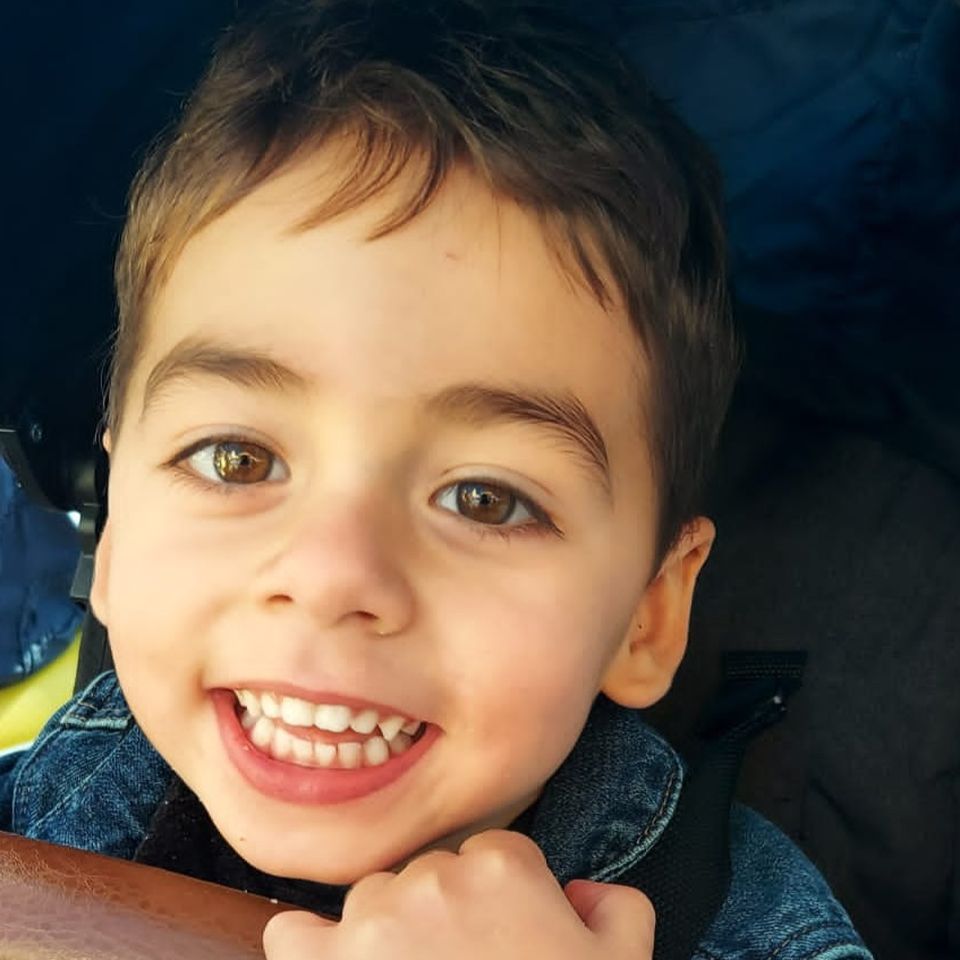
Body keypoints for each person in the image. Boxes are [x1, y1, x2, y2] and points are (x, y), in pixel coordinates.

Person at [0, 1, 871, 957]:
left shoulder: (748, 928)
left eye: (485, 500)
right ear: (116, 529)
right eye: (236, 459)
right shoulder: (54, 799)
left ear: (648, 614)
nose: (332, 576)